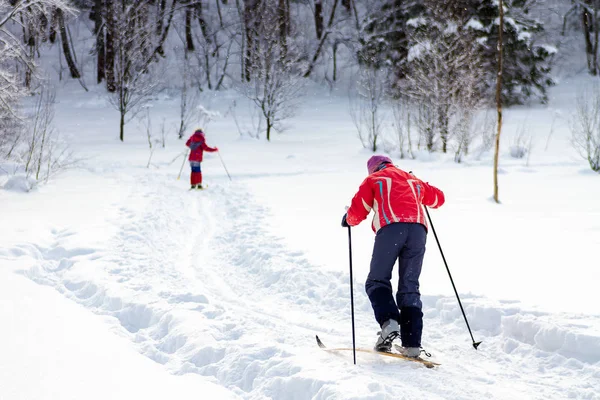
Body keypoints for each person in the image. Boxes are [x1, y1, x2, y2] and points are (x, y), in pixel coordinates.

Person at [341, 155, 445, 357]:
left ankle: (389, 323)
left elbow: (358, 209)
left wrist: (348, 220)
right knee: (410, 285)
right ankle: (412, 344)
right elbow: (438, 199)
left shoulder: (374, 179)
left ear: (373, 169)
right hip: (418, 232)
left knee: (376, 280)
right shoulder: (411, 179)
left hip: (391, 229)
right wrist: (419, 184)